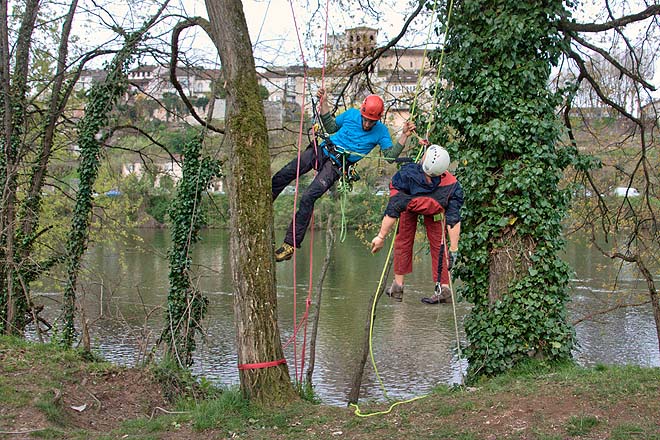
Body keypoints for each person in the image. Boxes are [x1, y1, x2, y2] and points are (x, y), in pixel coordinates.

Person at [272, 88, 416, 262]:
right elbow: (331, 126)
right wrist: (324, 102)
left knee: (308, 197)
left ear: (377, 120)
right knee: (286, 172)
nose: (367, 124)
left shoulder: (381, 131)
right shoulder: (351, 115)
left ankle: (290, 245)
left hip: (336, 165)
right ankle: (266, 199)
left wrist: (403, 136)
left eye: (372, 122)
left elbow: (390, 157)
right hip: (324, 149)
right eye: (366, 120)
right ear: (362, 113)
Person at [370, 144, 463, 304]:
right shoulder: (451, 184)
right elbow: (453, 219)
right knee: (439, 244)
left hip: (409, 204)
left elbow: (393, 208)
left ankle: (398, 287)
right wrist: (454, 249)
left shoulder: (407, 175)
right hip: (434, 208)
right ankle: (444, 288)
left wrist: (381, 236)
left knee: (403, 241)